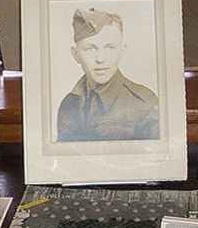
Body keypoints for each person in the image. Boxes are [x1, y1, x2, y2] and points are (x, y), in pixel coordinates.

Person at [57, 8, 159, 142]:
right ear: (76, 54)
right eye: (90, 49)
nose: (100, 59)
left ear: (122, 51)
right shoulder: (68, 104)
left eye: (110, 47)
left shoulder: (145, 103)